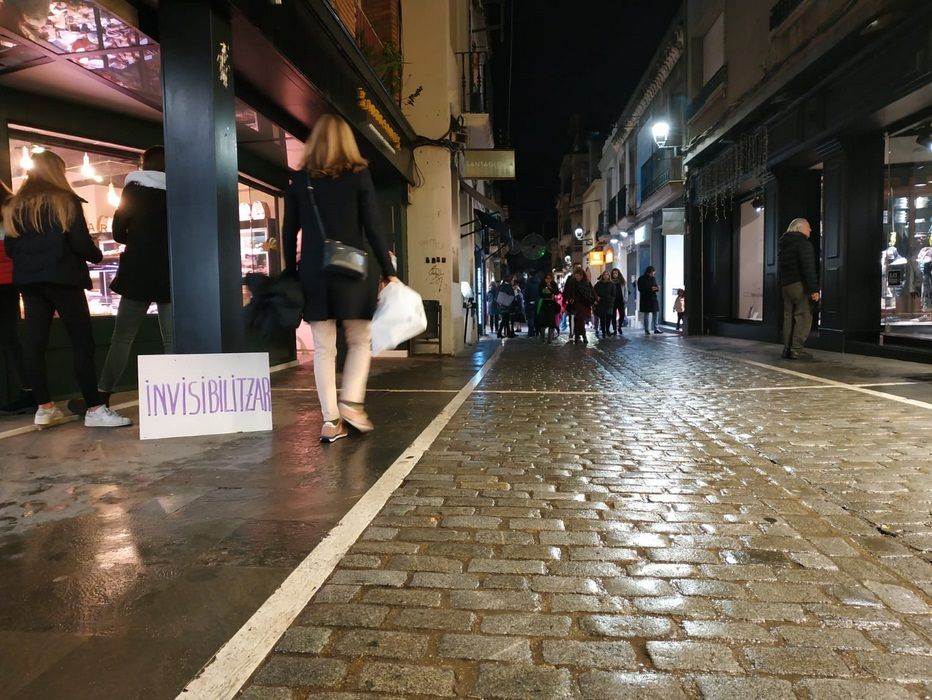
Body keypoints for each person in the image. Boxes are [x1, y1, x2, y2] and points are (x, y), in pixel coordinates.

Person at [282, 114, 398, 443]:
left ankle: (331, 421)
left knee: (323, 349)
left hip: (314, 274)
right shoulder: (359, 176)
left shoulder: (301, 181)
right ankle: (351, 404)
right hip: (353, 271)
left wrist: (291, 270)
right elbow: (374, 226)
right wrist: (388, 271)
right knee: (360, 341)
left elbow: (289, 231)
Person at [2, 150, 131, 428]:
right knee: (82, 344)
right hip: (64, 279)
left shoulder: (14, 206)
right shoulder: (66, 201)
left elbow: (11, 248)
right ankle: (95, 409)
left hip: (30, 282)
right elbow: (81, 245)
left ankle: (45, 408)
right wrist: (98, 255)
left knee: (34, 345)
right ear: (57, 172)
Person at [96, 146, 172, 407]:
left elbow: (117, 232)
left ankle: (103, 395)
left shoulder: (134, 189)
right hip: (170, 272)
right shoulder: (178, 192)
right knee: (171, 338)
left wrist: (137, 239)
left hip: (138, 272)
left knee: (122, 338)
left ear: (144, 164)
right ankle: (174, 396)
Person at [0, 180, 34, 414]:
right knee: (13, 339)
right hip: (12, 280)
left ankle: (30, 391)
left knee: (13, 339)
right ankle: (30, 391)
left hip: (8, 281)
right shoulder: (15, 207)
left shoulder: (13, 208)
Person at [778, 217, 819, 359]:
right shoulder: (803, 244)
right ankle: (797, 349)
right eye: (807, 226)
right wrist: (814, 289)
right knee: (804, 315)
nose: (810, 229)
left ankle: (787, 349)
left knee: (788, 316)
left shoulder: (784, 245)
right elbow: (808, 268)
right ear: (797, 228)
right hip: (799, 285)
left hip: (786, 285)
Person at [562, 264, 594, 344]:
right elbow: (567, 290)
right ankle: (578, 335)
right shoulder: (571, 280)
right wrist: (567, 300)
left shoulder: (586, 282)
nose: (577, 277)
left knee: (580, 320)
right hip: (574, 304)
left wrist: (594, 300)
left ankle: (580, 336)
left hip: (584, 304)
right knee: (576, 320)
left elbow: (591, 292)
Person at [637, 265, 662, 335]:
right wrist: (651, 289)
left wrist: (657, 288)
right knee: (646, 314)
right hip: (645, 298)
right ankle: (646, 329)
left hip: (653, 298)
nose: (653, 274)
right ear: (648, 272)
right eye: (652, 273)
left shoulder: (653, 278)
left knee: (656, 313)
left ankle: (656, 328)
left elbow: (655, 286)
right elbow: (640, 288)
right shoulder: (641, 279)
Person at [536, 271, 560, 343]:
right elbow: (540, 294)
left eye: (550, 278)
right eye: (547, 278)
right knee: (542, 321)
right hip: (543, 304)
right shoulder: (541, 284)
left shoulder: (553, 284)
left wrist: (550, 289)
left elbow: (556, 292)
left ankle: (549, 339)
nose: (548, 280)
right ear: (544, 279)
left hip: (552, 304)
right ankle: (542, 338)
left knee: (551, 322)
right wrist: (549, 295)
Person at [593, 270, 616, 339]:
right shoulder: (599, 284)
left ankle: (607, 330)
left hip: (609, 303)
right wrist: (597, 298)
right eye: (604, 274)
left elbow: (614, 294)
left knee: (608, 317)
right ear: (602, 276)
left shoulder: (611, 284)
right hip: (601, 303)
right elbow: (594, 292)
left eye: (607, 274)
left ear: (609, 276)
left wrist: (611, 300)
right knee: (602, 318)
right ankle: (603, 332)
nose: (606, 276)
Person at [609, 268, 627, 336]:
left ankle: (619, 327)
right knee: (613, 316)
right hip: (613, 301)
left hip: (620, 300)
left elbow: (626, 290)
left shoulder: (622, 281)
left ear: (618, 274)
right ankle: (614, 329)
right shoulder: (610, 282)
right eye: (613, 273)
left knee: (622, 315)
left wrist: (625, 298)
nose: (615, 275)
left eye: (616, 273)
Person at [523, 272, 539, 338]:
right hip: (537, 302)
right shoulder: (539, 282)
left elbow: (526, 293)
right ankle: (537, 331)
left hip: (530, 303)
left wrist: (526, 300)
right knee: (536, 318)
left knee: (530, 318)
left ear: (529, 275)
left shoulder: (528, 283)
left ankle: (531, 333)